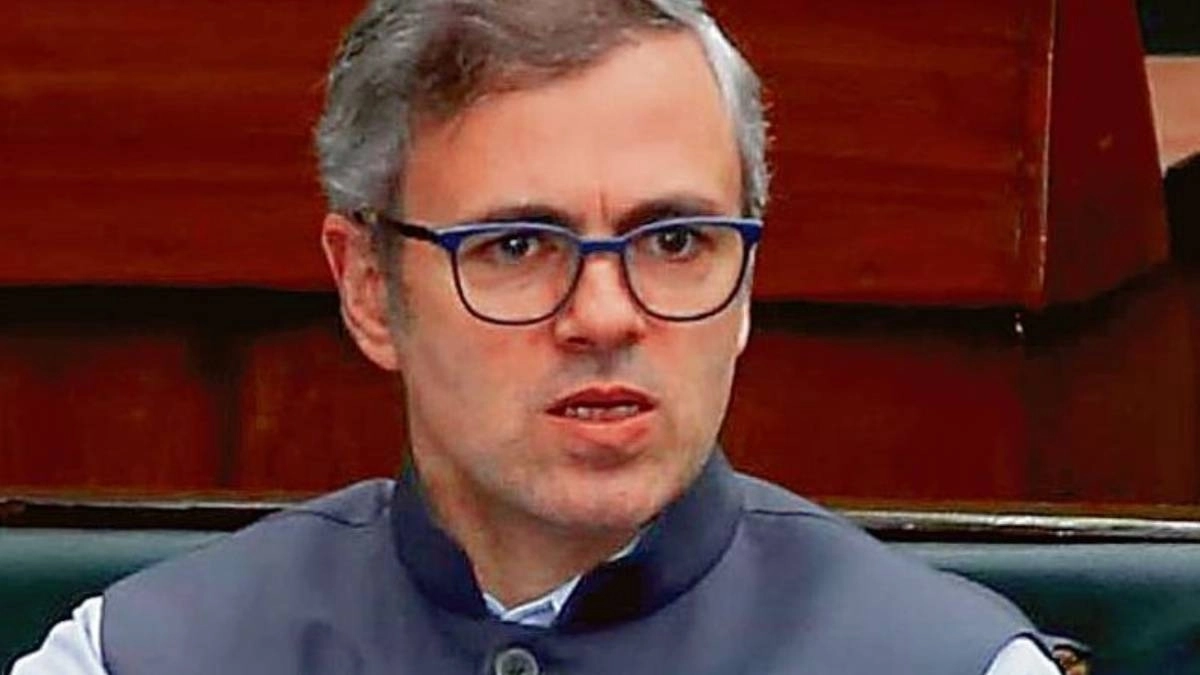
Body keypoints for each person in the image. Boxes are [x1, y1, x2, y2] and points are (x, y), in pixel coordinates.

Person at [14, 1, 1063, 673]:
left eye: (676, 241)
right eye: (517, 245)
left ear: (746, 282)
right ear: (371, 288)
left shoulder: (954, 667)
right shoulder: (135, 659)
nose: (605, 316)